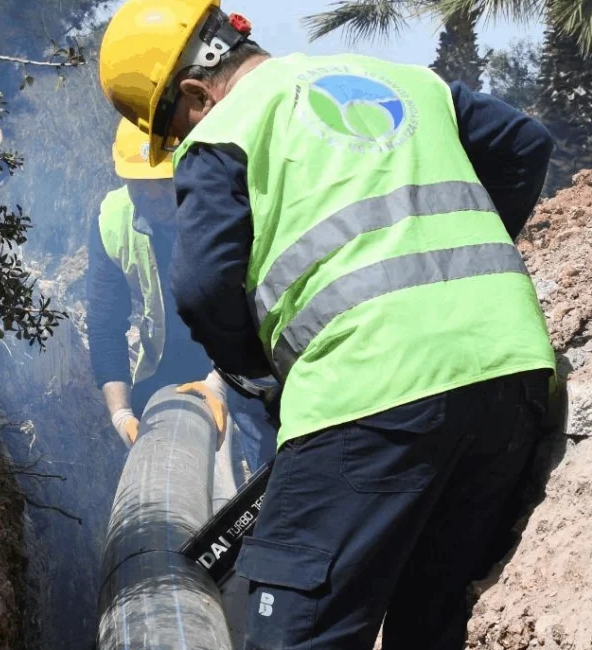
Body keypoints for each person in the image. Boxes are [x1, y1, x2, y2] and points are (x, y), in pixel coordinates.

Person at [97, 2, 557, 649]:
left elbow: (202, 291)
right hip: (512, 380)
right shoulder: (406, 82)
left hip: (370, 390)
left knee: (292, 632)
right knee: (431, 622)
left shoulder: (227, 129)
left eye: (171, 133)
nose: (179, 152)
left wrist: (261, 377)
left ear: (197, 95)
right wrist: (456, 271)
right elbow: (524, 145)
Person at [87, 118, 276, 481]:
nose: (155, 195)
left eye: (163, 180)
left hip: (244, 357)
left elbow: (259, 304)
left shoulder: (225, 203)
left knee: (264, 459)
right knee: (155, 472)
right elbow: (105, 324)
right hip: (167, 363)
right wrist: (121, 413)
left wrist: (220, 384)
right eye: (141, 184)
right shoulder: (111, 220)